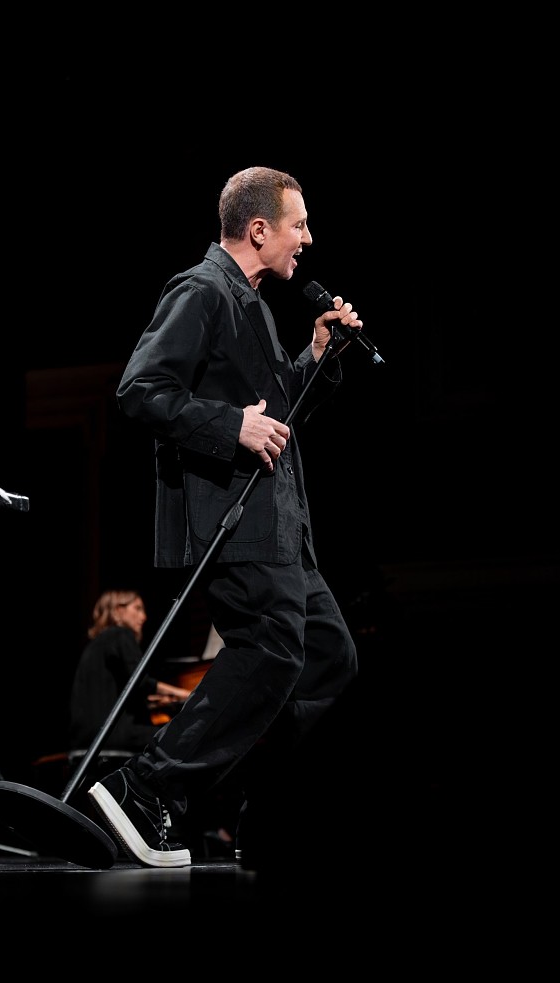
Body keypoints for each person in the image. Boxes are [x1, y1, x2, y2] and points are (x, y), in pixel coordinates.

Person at [88, 165, 362, 870]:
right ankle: (147, 787)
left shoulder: (255, 306)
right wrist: (229, 425)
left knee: (327, 655)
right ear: (259, 228)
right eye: (299, 224)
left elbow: (278, 417)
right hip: (236, 520)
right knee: (269, 647)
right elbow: (141, 389)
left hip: (284, 525)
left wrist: (317, 355)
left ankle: (254, 811)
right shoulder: (201, 290)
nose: (308, 238)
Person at [69, 589, 190, 756]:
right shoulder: (121, 633)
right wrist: (185, 694)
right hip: (114, 736)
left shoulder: (95, 644)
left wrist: (158, 700)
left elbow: (119, 691)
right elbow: (140, 681)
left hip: (86, 739)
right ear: (118, 610)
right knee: (184, 736)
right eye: (137, 608)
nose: (144, 617)